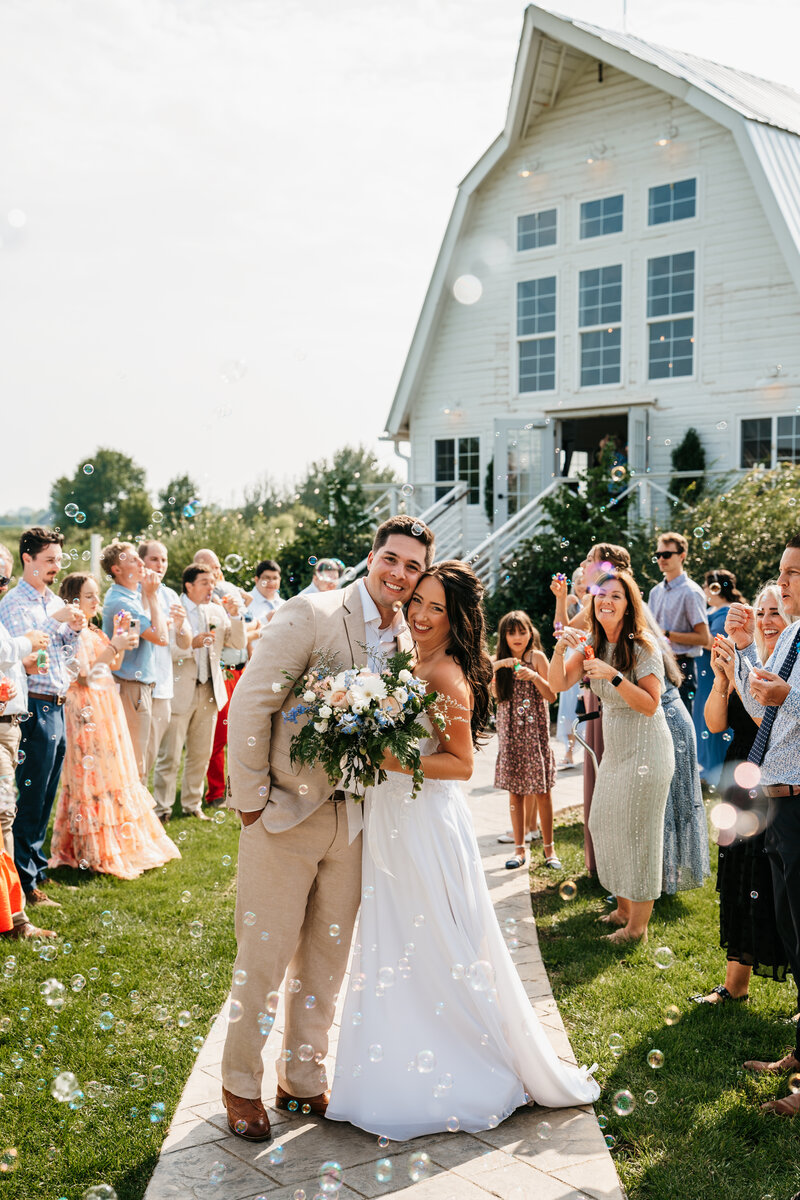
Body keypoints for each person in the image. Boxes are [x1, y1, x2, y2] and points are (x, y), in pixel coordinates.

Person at [327, 562, 599, 1139]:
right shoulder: (410, 658)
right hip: (394, 818)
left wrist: (387, 757)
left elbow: (461, 764)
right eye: (417, 602)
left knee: (433, 940)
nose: (420, 615)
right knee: (396, 938)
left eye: (435, 609)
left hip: (423, 821)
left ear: (456, 619)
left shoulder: (447, 673)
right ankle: (392, 1062)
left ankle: (462, 1065)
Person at [220, 515, 428, 1142]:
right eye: (391, 560)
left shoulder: (407, 641)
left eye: (412, 567)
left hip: (358, 821)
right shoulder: (311, 612)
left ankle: (302, 1082)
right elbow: (253, 700)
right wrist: (251, 799)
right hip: (284, 814)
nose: (399, 574)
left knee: (326, 962)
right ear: (373, 557)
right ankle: (238, 1084)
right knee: (263, 959)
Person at [552, 570, 674, 945]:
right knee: (603, 823)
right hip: (618, 749)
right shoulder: (591, 642)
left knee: (640, 836)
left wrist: (614, 676)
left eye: (616, 596)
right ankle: (623, 907)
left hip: (648, 747)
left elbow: (651, 705)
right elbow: (558, 684)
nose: (606, 600)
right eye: (601, 594)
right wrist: (560, 649)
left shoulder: (643, 646)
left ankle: (636, 928)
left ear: (628, 605)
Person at [727, 536, 800, 1114]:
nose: (787, 583)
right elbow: (763, 711)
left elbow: (788, 700)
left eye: (794, 574)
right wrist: (741, 660)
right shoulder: (794, 634)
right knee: (792, 930)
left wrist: (787, 694)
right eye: (783, 572)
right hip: (778, 801)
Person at [48, 573, 181, 879]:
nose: (96, 601)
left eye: (96, 595)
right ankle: (90, 848)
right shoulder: (71, 632)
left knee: (110, 775)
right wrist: (116, 644)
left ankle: (118, 841)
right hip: (84, 709)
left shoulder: (93, 630)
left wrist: (119, 639)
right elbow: (83, 675)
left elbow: (115, 665)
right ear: (73, 600)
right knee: (89, 777)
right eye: (90, 596)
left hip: (105, 705)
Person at [693, 584, 789, 1005]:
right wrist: (720, 679)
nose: (767, 620)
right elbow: (716, 724)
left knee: (775, 883)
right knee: (740, 879)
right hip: (742, 776)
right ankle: (734, 985)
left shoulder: (789, 665)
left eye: (776, 613)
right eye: (762, 611)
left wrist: (739, 669)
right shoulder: (742, 659)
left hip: (777, 783)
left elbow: (765, 717)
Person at [0, 527, 86, 906]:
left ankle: (36, 871)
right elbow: (27, 653)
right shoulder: (13, 603)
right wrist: (56, 622)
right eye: (49, 560)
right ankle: (24, 882)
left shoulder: (51, 599)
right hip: (33, 704)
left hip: (57, 701)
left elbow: (63, 652)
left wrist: (74, 629)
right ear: (27, 560)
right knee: (30, 796)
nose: (56, 567)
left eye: (58, 560)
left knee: (46, 794)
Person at [153, 564, 246, 822]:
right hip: (180, 689)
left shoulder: (217, 610)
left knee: (201, 752)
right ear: (189, 586)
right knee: (170, 755)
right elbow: (166, 650)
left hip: (209, 690)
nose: (211, 587)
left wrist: (237, 617)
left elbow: (236, 643)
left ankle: (192, 804)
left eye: (212, 582)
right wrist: (190, 646)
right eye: (204, 582)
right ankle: (162, 808)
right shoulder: (174, 609)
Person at [0, 543, 53, 939]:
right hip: (2, 723)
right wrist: (28, 642)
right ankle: (14, 919)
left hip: (10, 720)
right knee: (4, 817)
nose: (2, 585)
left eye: (3, 578)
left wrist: (20, 662)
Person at [491, 611, 559, 870]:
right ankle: (519, 850)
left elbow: (552, 695)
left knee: (543, 791)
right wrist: (501, 665)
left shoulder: (537, 658)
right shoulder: (499, 661)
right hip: (510, 735)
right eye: (511, 632)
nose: (518, 637)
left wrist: (535, 677)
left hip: (535, 735)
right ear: (504, 636)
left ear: (531, 633)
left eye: (522, 631)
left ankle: (549, 851)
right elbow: (484, 682)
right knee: (516, 792)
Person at [100, 541, 167, 782]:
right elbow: (161, 637)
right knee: (135, 764)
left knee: (135, 761)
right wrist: (152, 595)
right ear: (116, 570)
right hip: (131, 689)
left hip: (135, 686)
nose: (141, 563)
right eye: (132, 560)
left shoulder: (127, 596)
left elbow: (150, 632)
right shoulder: (123, 602)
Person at [193, 549, 254, 808]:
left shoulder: (228, 586)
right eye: (209, 567)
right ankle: (215, 792)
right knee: (218, 736)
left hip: (242, 668)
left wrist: (239, 601)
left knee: (243, 734)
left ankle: (237, 787)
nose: (217, 571)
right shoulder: (206, 597)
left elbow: (247, 605)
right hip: (224, 669)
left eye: (218, 566)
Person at [138, 541, 192, 778]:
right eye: (154, 559)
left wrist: (181, 626)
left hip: (163, 688)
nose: (160, 565)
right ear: (142, 562)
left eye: (164, 560)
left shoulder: (170, 595)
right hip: (137, 683)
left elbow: (185, 642)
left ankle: (140, 808)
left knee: (149, 757)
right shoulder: (132, 591)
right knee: (136, 756)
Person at [647, 532, 710, 714]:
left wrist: (665, 634)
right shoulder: (655, 592)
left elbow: (703, 638)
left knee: (679, 732)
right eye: (658, 555)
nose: (661, 559)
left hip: (682, 667)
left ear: (682, 556)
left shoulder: (691, 592)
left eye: (667, 555)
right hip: (656, 664)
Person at [692, 569, 744, 786]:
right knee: (704, 720)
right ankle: (708, 769)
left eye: (706, 585)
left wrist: (692, 634)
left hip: (714, 673)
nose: (704, 590)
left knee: (712, 723)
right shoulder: (711, 610)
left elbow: (714, 642)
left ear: (715, 587)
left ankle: (717, 772)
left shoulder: (725, 612)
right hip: (702, 674)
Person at [553, 567, 586, 768]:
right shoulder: (572, 605)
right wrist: (562, 600)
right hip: (572, 659)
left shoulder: (596, 603)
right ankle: (569, 750)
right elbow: (560, 630)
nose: (582, 586)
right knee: (569, 708)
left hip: (587, 661)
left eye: (585, 581)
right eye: (578, 582)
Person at [247, 560, 284, 625]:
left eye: (275, 578)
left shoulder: (285, 604)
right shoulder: (244, 602)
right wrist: (265, 620)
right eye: (267, 578)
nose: (271, 582)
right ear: (256, 580)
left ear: (279, 580)